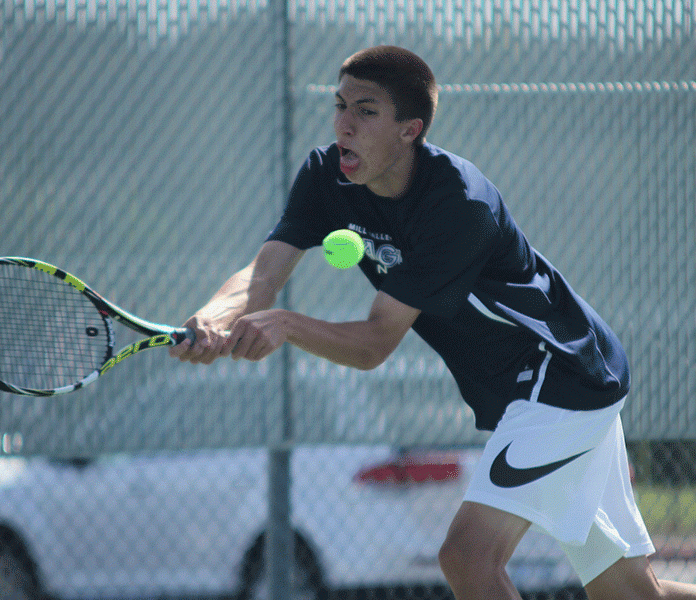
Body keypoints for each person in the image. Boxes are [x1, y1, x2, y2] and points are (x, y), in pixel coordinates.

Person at [169, 45, 696, 599]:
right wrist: (212, 316)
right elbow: (264, 270)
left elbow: (375, 343)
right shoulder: (326, 177)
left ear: (409, 130)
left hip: (559, 380)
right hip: (546, 387)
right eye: (340, 105)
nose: (344, 125)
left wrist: (286, 325)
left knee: (468, 558)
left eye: (366, 111)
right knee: (630, 594)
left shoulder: (457, 205)